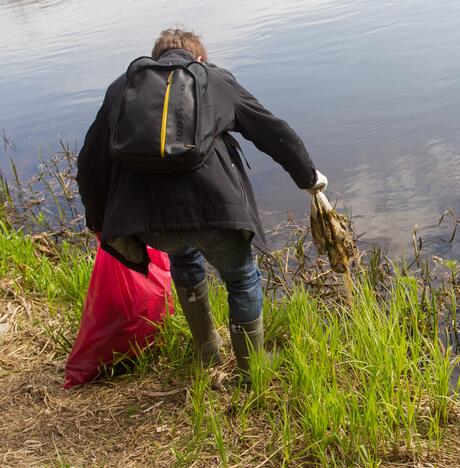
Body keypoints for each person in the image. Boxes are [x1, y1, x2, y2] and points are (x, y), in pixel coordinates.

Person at [76, 27, 327, 384]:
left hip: (149, 225)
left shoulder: (123, 87)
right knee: (241, 279)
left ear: (157, 57)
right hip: (215, 213)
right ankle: (250, 371)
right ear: (201, 58)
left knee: (183, 254)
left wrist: (98, 221)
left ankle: (207, 351)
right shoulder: (214, 80)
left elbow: (89, 164)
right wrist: (308, 179)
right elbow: (272, 131)